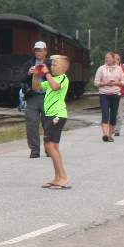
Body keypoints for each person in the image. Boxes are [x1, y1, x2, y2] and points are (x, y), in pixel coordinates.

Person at [40, 55, 72, 189]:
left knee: (50, 146)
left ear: (63, 68)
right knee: (52, 147)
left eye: (54, 64)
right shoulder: (52, 78)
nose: (51, 66)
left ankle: (63, 177)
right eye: (51, 64)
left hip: (57, 115)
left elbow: (54, 87)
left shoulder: (63, 78)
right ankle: (57, 177)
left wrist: (46, 73)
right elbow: (37, 87)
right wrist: (36, 75)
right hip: (49, 115)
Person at [23, 41, 51, 159]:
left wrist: (46, 72)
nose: (38, 52)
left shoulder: (51, 63)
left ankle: (49, 148)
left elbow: (58, 78)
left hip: (47, 96)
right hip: (32, 97)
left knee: (48, 124)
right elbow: (20, 79)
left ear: (45, 51)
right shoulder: (29, 63)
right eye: (36, 50)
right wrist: (28, 74)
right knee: (31, 124)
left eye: (40, 50)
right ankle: (34, 150)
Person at [94, 51, 124, 142]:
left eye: (108, 57)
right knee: (105, 114)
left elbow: (123, 82)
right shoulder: (101, 69)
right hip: (104, 94)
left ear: (113, 59)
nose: (107, 59)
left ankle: (110, 135)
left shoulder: (119, 69)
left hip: (115, 94)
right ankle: (104, 134)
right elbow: (96, 82)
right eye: (106, 58)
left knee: (113, 115)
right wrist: (105, 83)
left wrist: (116, 83)